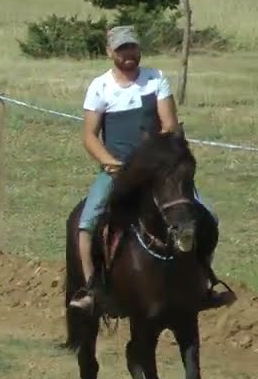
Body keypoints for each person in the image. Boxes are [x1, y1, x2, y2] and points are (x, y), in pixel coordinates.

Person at [68, 25, 235, 312]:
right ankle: (91, 288)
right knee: (87, 224)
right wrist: (109, 162)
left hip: (159, 172)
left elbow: (169, 125)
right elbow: (89, 136)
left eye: (132, 47)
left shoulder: (155, 79)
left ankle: (204, 281)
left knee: (207, 214)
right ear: (110, 52)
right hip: (117, 171)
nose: (128, 54)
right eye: (122, 49)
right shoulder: (100, 87)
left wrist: (157, 160)